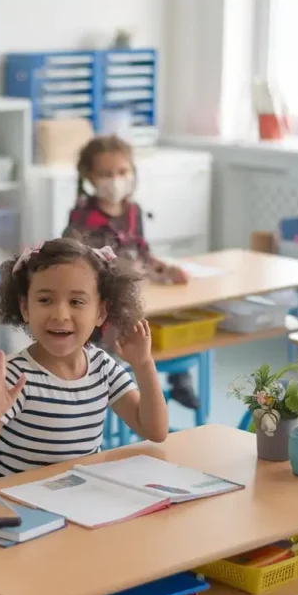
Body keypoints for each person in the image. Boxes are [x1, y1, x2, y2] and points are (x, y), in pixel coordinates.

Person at [0, 238, 168, 478]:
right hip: (12, 506)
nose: (60, 314)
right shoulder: (15, 377)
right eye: (45, 300)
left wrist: (143, 365)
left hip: (74, 501)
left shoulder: (102, 367)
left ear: (101, 312)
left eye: (76, 302)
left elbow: (155, 431)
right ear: (25, 308)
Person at [62, 135, 201, 412]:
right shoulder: (82, 218)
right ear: (89, 176)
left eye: (122, 172)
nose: (115, 180)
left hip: (138, 293)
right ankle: (126, 392)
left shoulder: (134, 212)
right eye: (105, 174)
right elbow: (72, 265)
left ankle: (178, 379)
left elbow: (142, 252)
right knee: (125, 326)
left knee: (178, 316)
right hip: (105, 304)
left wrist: (165, 270)